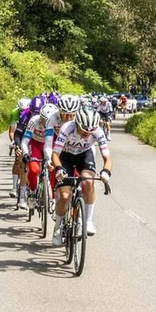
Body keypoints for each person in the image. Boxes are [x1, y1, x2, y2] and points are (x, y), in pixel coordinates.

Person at [50, 105, 113, 236]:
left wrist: (106, 171)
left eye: (90, 131)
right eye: (84, 130)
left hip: (84, 155)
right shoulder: (67, 128)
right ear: (77, 124)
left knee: (88, 182)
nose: (87, 134)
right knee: (65, 196)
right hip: (65, 156)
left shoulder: (98, 131)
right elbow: (55, 154)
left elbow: (107, 158)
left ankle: (88, 221)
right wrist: (59, 168)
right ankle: (58, 226)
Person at [18, 97, 63, 211]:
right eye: (44, 121)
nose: (47, 124)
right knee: (33, 169)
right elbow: (25, 141)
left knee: (54, 169)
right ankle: (32, 192)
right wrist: (26, 153)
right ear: (41, 117)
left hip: (51, 144)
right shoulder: (34, 120)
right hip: (36, 144)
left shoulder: (57, 121)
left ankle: (53, 198)